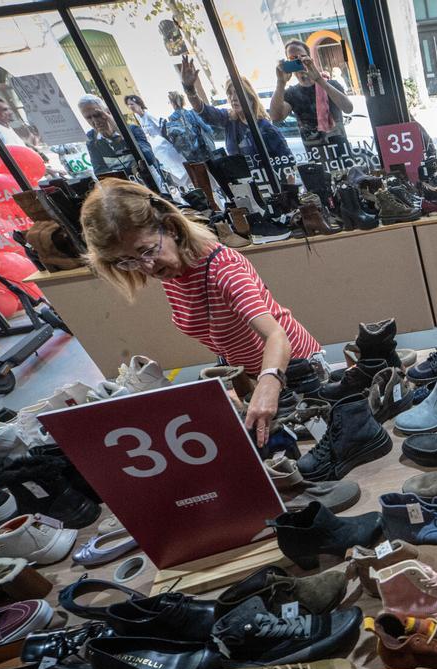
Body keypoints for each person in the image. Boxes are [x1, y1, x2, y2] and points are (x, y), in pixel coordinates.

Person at [80, 178, 320, 446]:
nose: (146, 267)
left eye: (146, 250)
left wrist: (269, 383)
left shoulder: (222, 269)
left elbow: (276, 335)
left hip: (297, 369)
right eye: (127, 261)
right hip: (256, 375)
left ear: (171, 228)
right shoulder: (175, 271)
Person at [179, 55, 293, 180]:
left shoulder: (266, 128)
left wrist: (288, 190)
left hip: (271, 186)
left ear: (250, 98)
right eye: (229, 93)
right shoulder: (229, 120)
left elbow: (288, 167)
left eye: (237, 93)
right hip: (245, 186)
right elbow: (204, 111)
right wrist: (189, 88)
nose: (233, 98)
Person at [270, 40, 353, 153]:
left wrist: (319, 80)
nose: (298, 61)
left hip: (342, 154)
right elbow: (275, 117)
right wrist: (281, 82)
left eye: (302, 57)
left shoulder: (331, 84)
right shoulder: (291, 93)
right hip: (315, 156)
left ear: (311, 59)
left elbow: (348, 108)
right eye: (293, 58)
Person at [77, 94, 160, 178]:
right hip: (123, 184)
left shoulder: (133, 130)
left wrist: (121, 132)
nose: (95, 121)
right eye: (88, 118)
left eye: (97, 115)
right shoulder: (92, 138)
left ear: (108, 112)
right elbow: (100, 172)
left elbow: (149, 159)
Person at [125, 94, 189, 189]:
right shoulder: (138, 117)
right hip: (156, 148)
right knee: (169, 171)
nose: (130, 107)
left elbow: (163, 127)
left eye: (132, 104)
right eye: (128, 105)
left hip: (164, 146)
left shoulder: (149, 115)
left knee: (179, 168)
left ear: (139, 103)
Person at [161, 90, 216, 164]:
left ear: (173, 103)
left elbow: (172, 140)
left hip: (189, 155)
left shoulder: (172, 119)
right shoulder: (191, 113)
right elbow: (207, 128)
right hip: (202, 150)